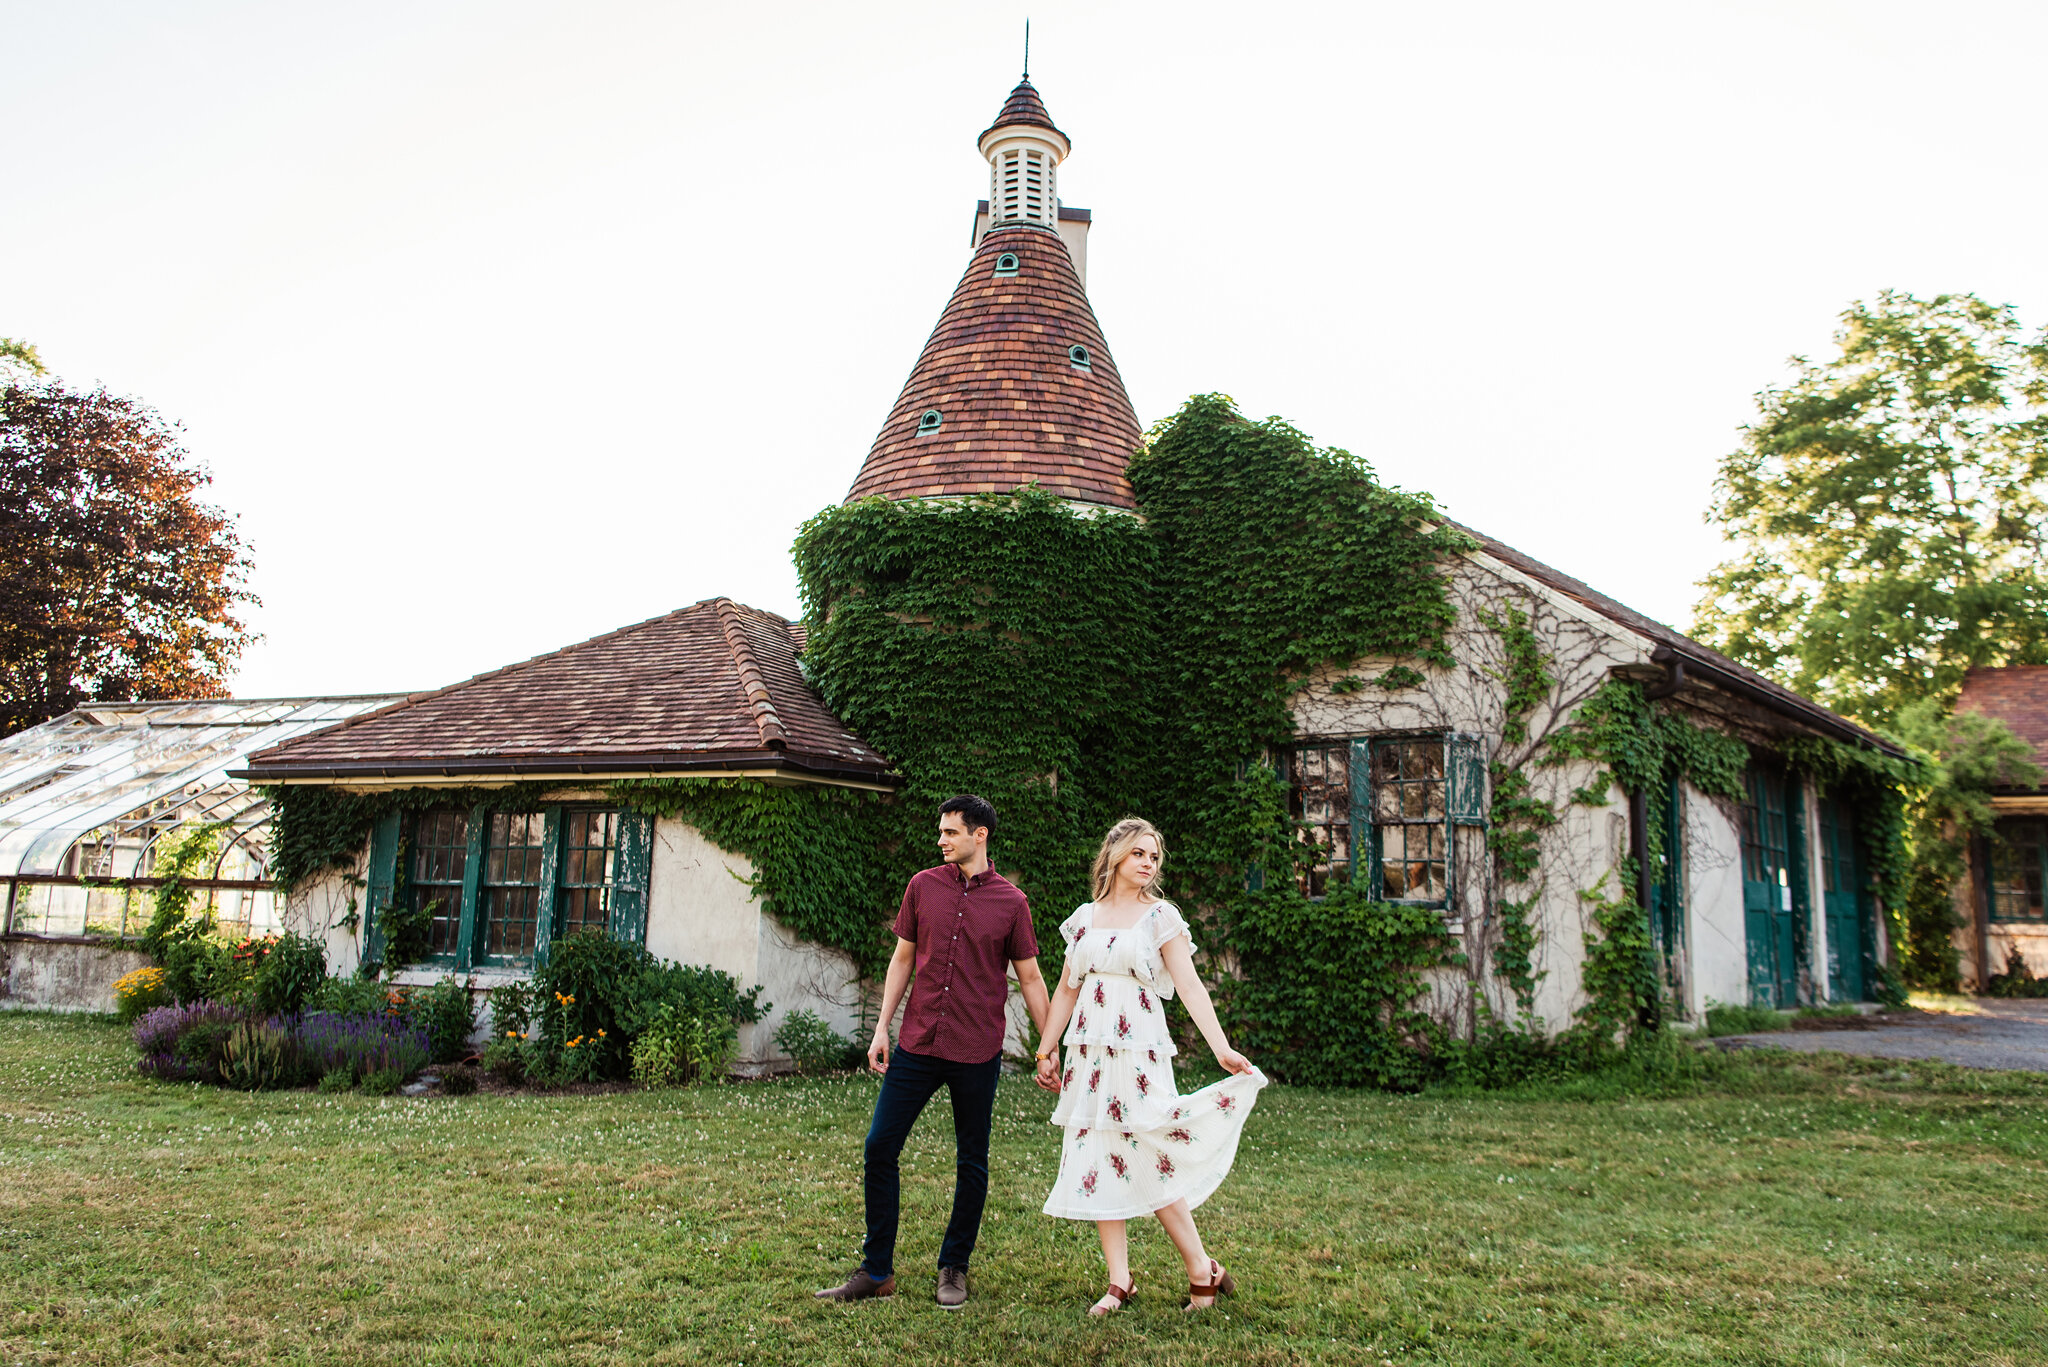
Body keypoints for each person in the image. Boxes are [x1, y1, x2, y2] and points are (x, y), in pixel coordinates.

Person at [815, 794, 1051, 1310]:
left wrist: (1047, 1047)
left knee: (972, 1161)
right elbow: (902, 961)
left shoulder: (1012, 902)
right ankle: (876, 1270)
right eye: (941, 832)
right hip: (917, 1044)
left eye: (950, 832)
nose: (941, 840)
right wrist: (881, 1028)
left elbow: (1030, 978)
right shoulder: (922, 887)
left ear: (979, 835)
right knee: (879, 1147)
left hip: (976, 1049)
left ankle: (954, 1267)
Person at [1034, 816, 1266, 1315]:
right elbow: (1067, 988)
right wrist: (1046, 1048)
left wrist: (1222, 1048)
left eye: (1154, 856)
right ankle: (1120, 1280)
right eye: (1139, 853)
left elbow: (1189, 985)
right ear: (1115, 853)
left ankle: (1200, 1267)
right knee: (1098, 1151)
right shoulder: (1085, 917)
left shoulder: (1161, 916)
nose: (1148, 863)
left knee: (1150, 1148)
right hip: (1090, 1053)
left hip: (1138, 1052)